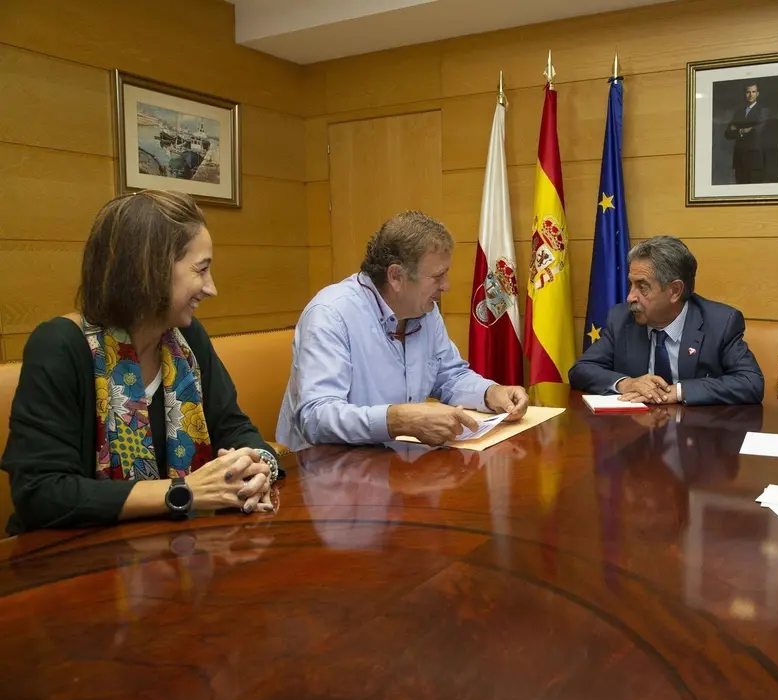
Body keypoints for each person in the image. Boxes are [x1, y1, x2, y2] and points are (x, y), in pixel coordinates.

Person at [2, 191, 279, 535]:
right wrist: (183, 492)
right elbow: (41, 494)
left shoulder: (188, 340)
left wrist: (258, 466)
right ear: (150, 271)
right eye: (201, 270)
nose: (211, 288)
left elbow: (235, 427)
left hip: (176, 550)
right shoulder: (60, 345)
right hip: (70, 559)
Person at [276, 210, 528, 451]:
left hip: (394, 464)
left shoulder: (423, 310)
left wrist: (490, 393)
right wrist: (397, 420)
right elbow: (315, 417)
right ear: (396, 276)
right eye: (438, 276)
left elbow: (449, 376)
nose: (447, 286)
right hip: (324, 472)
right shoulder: (330, 314)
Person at [568, 235, 764, 406]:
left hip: (698, 437)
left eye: (642, 286)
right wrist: (626, 383)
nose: (630, 297)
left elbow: (750, 382)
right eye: (631, 284)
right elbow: (581, 370)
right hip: (636, 435)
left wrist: (677, 391)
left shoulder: (720, 322)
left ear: (675, 291)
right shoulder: (621, 318)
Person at [724, 82, 769, 184]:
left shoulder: (762, 111)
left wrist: (738, 129)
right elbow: (727, 133)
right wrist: (744, 130)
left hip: (755, 161)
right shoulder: (738, 112)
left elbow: (756, 132)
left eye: (753, 92)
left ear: (757, 93)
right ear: (744, 93)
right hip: (739, 160)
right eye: (748, 92)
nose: (750, 95)